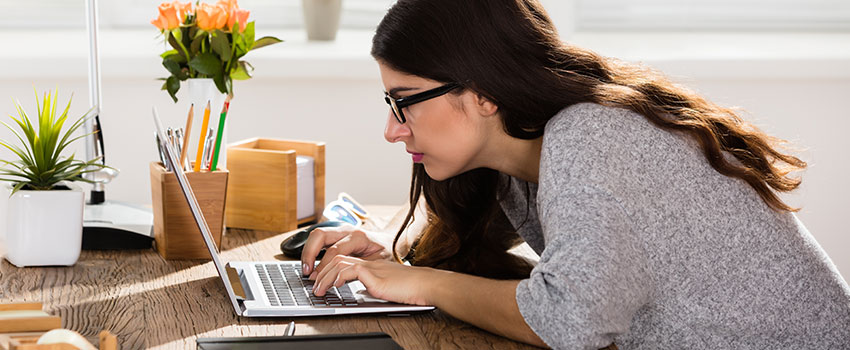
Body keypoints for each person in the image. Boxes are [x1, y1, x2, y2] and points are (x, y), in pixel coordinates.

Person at [300, 0, 850, 348]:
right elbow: (554, 277)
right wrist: (389, 258)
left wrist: (416, 280)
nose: (393, 130)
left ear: (483, 94)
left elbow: (573, 321)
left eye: (404, 102)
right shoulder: (519, 162)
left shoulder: (591, 137)